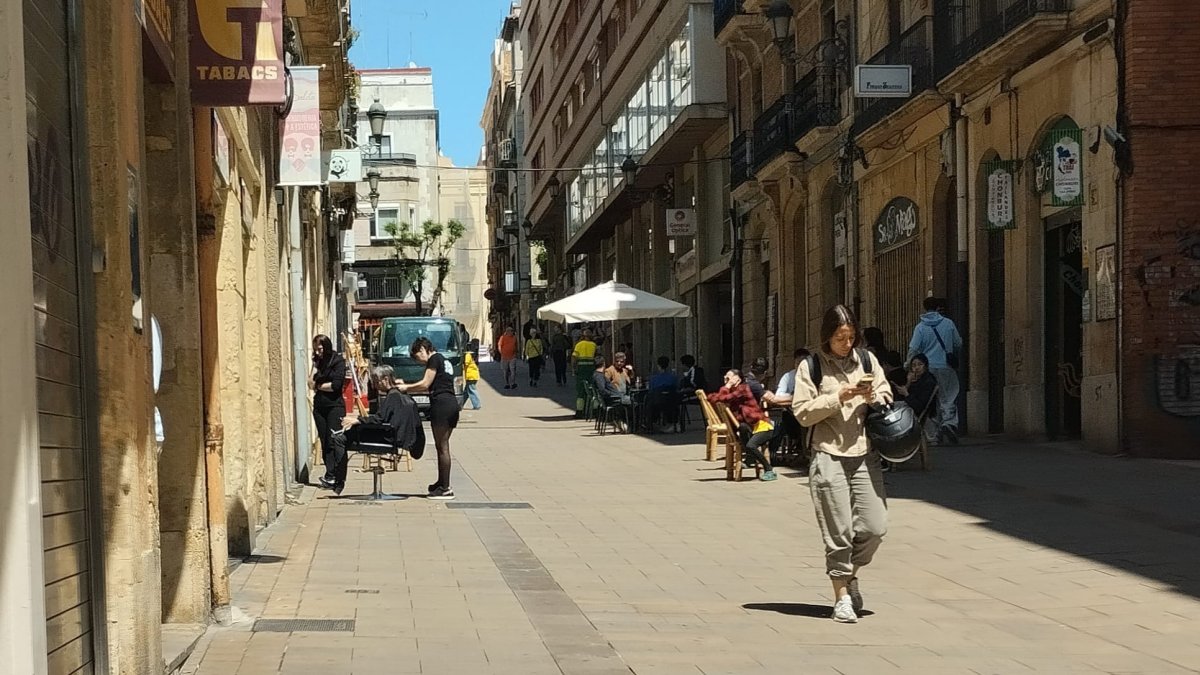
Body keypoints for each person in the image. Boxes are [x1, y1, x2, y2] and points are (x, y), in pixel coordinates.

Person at [792, 304, 894, 624]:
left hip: (865, 453)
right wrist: (840, 396)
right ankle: (841, 598)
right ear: (827, 337)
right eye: (839, 338)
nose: (846, 343)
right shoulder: (811, 367)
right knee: (839, 531)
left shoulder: (866, 359)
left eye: (850, 337)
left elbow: (885, 392)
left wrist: (874, 397)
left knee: (875, 527)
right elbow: (803, 412)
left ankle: (851, 575)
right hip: (827, 454)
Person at [331, 365, 424, 494]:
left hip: (387, 438)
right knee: (347, 434)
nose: (375, 385)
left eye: (376, 381)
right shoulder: (401, 394)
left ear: (386, 379)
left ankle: (337, 481)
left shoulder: (393, 397)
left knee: (340, 439)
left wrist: (358, 420)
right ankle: (336, 480)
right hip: (393, 437)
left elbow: (380, 419)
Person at [397, 336, 459, 500]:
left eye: (418, 357)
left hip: (442, 405)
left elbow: (425, 383)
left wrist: (406, 388)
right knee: (441, 446)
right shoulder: (444, 360)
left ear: (423, 350)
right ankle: (441, 482)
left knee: (443, 446)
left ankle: (446, 488)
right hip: (451, 404)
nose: (420, 362)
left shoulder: (434, 359)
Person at [907, 297, 963, 444]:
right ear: (937, 307)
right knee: (948, 396)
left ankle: (935, 434)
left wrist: (909, 365)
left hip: (928, 368)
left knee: (932, 400)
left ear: (925, 308)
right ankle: (949, 423)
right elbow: (958, 343)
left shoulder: (920, 328)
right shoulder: (948, 323)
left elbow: (914, 348)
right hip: (946, 366)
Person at [707, 369, 779, 481]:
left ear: (738, 379)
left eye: (729, 378)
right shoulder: (732, 391)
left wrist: (727, 386)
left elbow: (723, 398)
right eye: (725, 378)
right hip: (750, 427)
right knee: (743, 427)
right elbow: (712, 398)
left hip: (763, 427)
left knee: (751, 446)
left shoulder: (743, 389)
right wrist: (727, 387)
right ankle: (750, 458)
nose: (726, 380)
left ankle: (769, 469)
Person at [311, 334, 347, 491]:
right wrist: (314, 365)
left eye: (320, 349)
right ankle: (329, 474)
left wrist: (319, 386)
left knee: (333, 439)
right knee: (324, 439)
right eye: (315, 350)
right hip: (320, 406)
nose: (318, 352)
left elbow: (336, 385)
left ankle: (336, 475)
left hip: (334, 406)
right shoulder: (318, 362)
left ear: (326, 346)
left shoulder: (337, 361)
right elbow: (310, 382)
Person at [762, 348, 812, 451]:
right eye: (798, 363)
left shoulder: (813, 376)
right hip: (792, 412)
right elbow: (778, 395)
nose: (801, 366)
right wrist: (794, 397)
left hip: (810, 412)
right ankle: (798, 443)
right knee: (786, 418)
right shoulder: (788, 376)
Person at [895, 353, 939, 445]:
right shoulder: (915, 381)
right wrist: (908, 383)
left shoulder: (928, 382)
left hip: (921, 413)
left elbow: (919, 406)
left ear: (925, 366)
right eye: (914, 365)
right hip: (911, 409)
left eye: (920, 364)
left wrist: (906, 394)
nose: (917, 368)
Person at [592, 355, 630, 432]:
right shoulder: (599, 376)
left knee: (631, 401)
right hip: (614, 399)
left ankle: (622, 422)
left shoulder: (598, 375)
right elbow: (602, 390)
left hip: (616, 397)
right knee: (633, 402)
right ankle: (627, 423)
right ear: (603, 364)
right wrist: (614, 395)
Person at [645, 356, 680, 431]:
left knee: (649, 401)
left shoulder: (654, 379)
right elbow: (677, 388)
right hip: (671, 402)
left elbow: (650, 391)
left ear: (658, 366)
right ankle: (673, 422)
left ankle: (651, 422)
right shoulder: (673, 377)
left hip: (657, 403)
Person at [571, 329, 598, 418]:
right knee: (593, 390)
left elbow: (574, 357)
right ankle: (595, 411)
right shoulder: (594, 345)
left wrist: (574, 368)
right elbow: (597, 358)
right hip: (591, 370)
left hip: (581, 370)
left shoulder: (579, 345)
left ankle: (579, 412)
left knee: (580, 391)